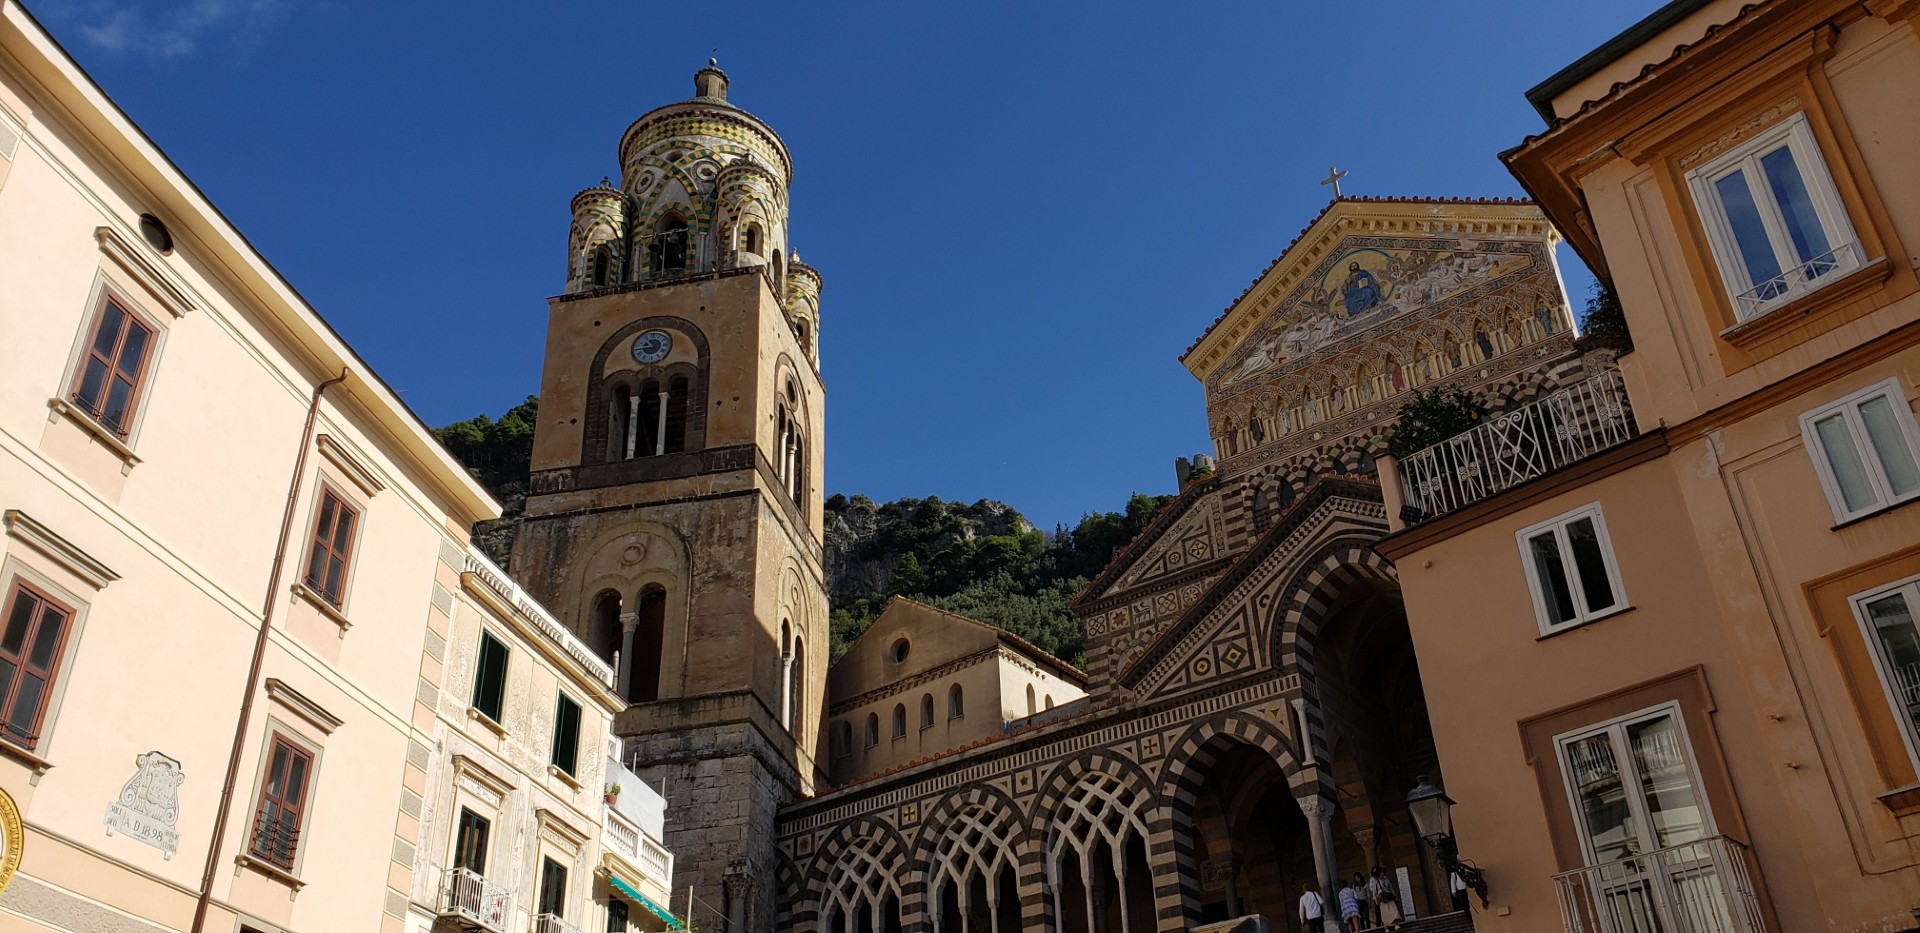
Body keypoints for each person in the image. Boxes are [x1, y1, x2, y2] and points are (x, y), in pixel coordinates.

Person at [1372, 865, 1404, 929]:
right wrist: (1376, 900)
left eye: (1383, 872)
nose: (1383, 874)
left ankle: (1396, 924)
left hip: (1389, 897)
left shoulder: (1386, 879)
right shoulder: (1375, 882)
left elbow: (1390, 888)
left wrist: (1394, 896)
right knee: (1384, 913)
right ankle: (1386, 927)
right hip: (1382, 899)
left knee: (1394, 910)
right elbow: (1374, 892)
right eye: (1381, 873)